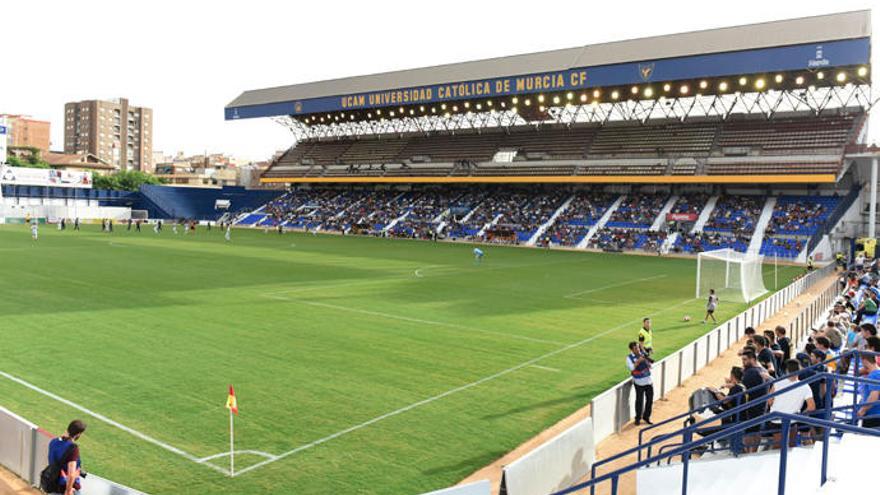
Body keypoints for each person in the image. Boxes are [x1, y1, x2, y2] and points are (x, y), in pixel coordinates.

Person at [767, 359, 815, 447]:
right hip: (792, 419)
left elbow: (770, 401)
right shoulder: (805, 386)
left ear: (787, 370)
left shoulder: (777, 383)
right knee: (791, 446)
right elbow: (811, 407)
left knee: (777, 448)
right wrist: (801, 414)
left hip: (776, 418)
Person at [740, 349, 770, 452]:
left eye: (745, 360)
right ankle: (753, 452)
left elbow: (741, 389)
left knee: (748, 431)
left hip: (752, 407)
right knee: (756, 430)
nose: (743, 362)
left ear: (752, 359)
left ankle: (748, 453)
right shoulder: (762, 369)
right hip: (762, 406)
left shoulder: (751, 372)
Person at [47, 419, 87, 495]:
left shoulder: (53, 442)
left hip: (53, 484)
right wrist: (68, 491)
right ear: (78, 434)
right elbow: (71, 474)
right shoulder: (73, 448)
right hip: (66, 488)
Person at [626, 341, 653, 425]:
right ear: (631, 350)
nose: (638, 349)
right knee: (639, 401)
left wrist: (647, 361)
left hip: (648, 381)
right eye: (635, 348)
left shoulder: (643, 354)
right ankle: (637, 418)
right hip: (638, 383)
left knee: (649, 400)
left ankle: (646, 417)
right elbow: (631, 368)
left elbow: (650, 365)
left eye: (638, 347)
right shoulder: (629, 358)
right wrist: (638, 361)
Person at [857, 354, 880, 428]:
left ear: (865, 360)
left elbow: (874, 397)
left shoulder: (875, 375)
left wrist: (862, 410)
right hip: (873, 414)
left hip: (873, 415)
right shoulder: (874, 372)